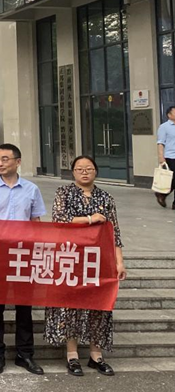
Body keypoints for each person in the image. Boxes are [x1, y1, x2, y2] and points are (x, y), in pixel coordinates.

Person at [45, 155, 126, 377]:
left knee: (99, 305)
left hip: (99, 259)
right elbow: (59, 219)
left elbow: (114, 232)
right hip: (70, 256)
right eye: (79, 168)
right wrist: (90, 219)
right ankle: (72, 355)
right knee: (70, 304)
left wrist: (119, 261)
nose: (84, 172)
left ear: (96, 171)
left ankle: (96, 355)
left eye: (89, 168)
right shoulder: (64, 193)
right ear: (73, 172)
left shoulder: (106, 197)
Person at [0, 143, 47, 376]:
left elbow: (36, 223)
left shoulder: (31, 189)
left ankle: (25, 354)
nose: (0, 163)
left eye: (5, 159)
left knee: (24, 305)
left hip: (23, 254)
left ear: (18, 161)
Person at [156, 105, 175, 208]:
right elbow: (160, 143)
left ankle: (162, 195)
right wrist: (161, 157)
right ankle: (162, 194)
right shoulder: (164, 127)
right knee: (173, 179)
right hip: (170, 156)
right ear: (169, 115)